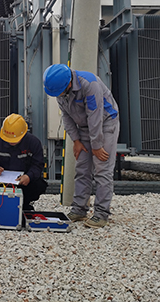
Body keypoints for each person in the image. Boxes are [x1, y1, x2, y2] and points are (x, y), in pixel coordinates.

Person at [43, 64, 119, 228]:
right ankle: (79, 209)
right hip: (84, 129)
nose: (58, 95)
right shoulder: (60, 89)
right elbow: (67, 117)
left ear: (69, 83)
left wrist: (97, 145)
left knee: (102, 168)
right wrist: (76, 140)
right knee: (82, 168)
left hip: (105, 124)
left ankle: (101, 213)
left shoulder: (90, 84)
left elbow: (95, 116)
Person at [0, 113, 48, 211]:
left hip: (24, 182)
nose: (11, 142)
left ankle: (25, 204)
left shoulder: (33, 143)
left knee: (39, 185)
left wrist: (29, 176)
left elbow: (38, 165)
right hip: (2, 181)